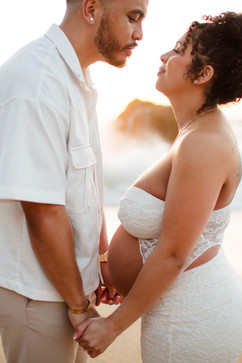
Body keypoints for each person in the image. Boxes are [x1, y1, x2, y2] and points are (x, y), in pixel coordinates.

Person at [76, 11, 242, 362]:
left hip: (190, 319)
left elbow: (173, 253)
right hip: (180, 308)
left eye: (180, 49)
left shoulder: (204, 143)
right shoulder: (195, 132)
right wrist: (113, 268)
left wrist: (112, 327)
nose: (165, 55)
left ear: (203, 73)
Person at [0, 0, 149, 362]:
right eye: (133, 17)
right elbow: (43, 211)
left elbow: (85, 185)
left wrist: (100, 257)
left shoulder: (77, 78)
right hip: (38, 295)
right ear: (91, 8)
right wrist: (78, 305)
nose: (139, 34)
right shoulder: (38, 81)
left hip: (68, 290)